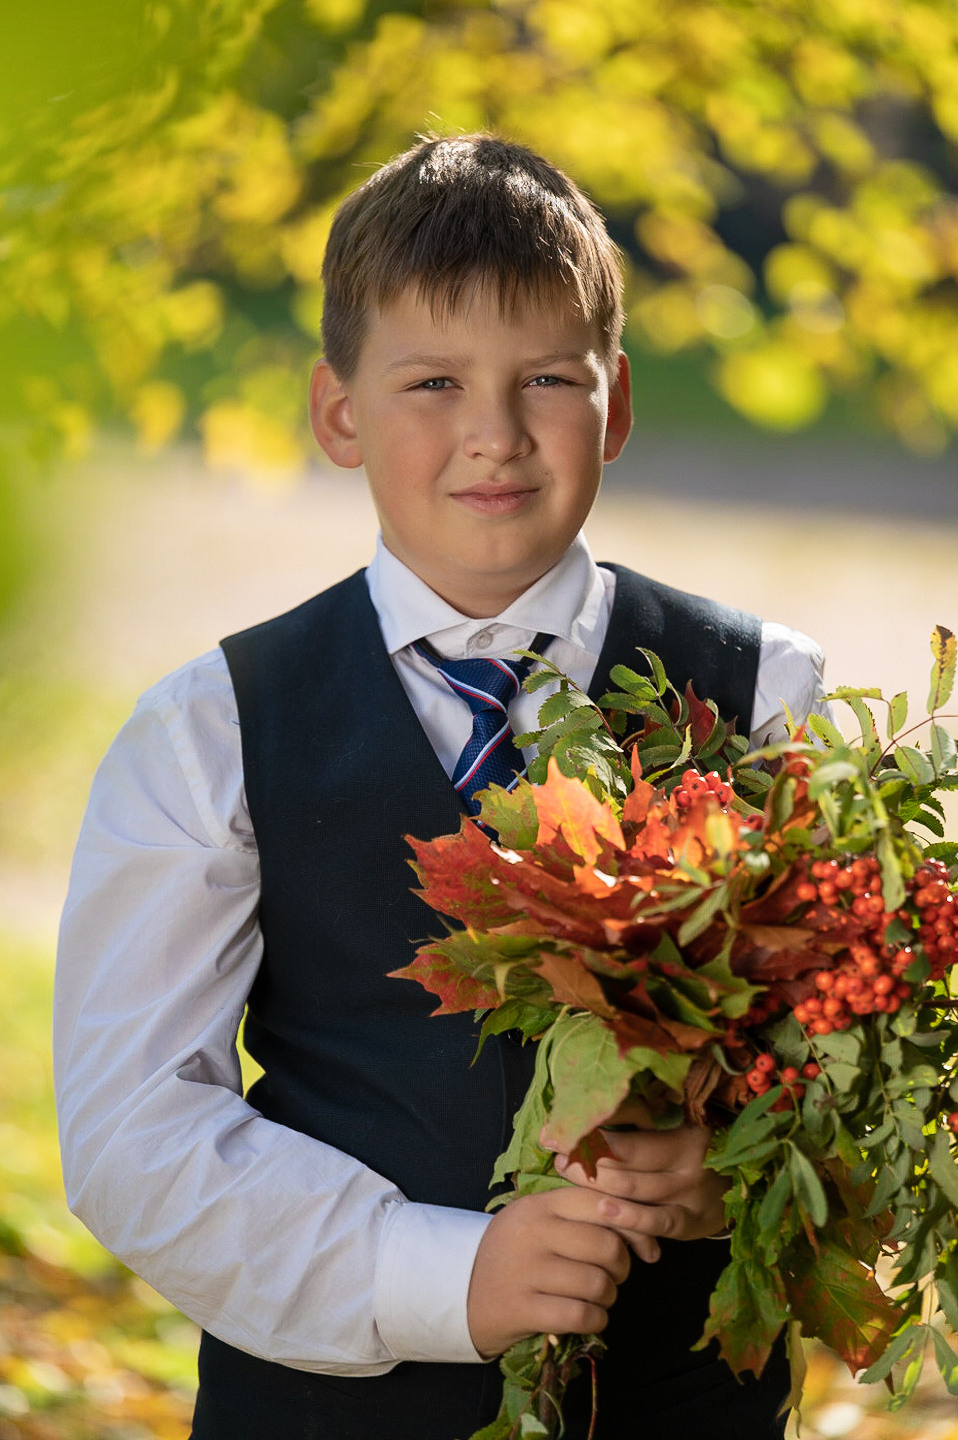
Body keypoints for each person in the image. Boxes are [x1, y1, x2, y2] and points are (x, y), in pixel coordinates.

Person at [55, 134, 830, 1439]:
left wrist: (738, 1170)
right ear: (338, 412)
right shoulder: (211, 729)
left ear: (615, 407)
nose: (494, 435)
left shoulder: (762, 693)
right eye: (432, 382)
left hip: (678, 1404)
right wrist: (438, 1276)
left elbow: (841, 1048)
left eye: (547, 379)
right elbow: (134, 1130)